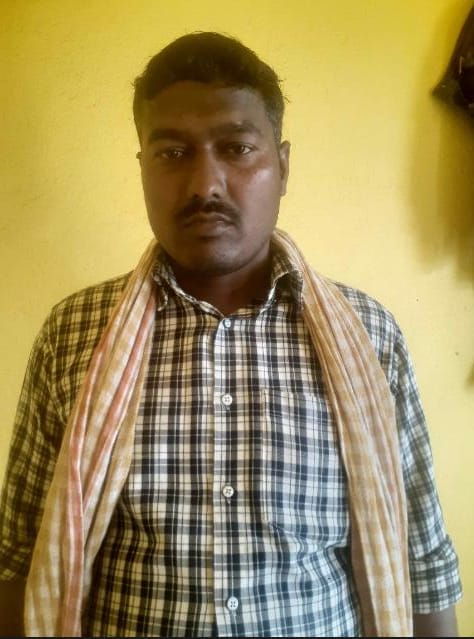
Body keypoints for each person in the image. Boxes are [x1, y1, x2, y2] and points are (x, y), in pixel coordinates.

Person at [0, 32, 462, 638]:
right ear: (142, 169)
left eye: (237, 148)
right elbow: (21, 555)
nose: (205, 185)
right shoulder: (73, 333)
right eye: (172, 153)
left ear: (283, 166)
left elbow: (421, 561)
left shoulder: (369, 336)